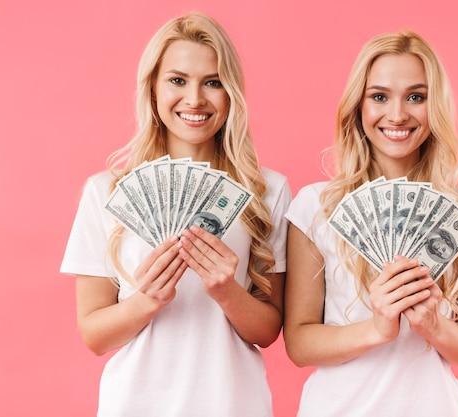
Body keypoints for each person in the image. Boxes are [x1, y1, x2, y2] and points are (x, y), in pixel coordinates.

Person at [60, 12, 291, 417]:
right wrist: (145, 300)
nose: (195, 99)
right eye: (178, 80)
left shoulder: (267, 191)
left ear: (231, 92)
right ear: (152, 88)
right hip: (135, 404)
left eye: (213, 82)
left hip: (234, 404)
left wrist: (227, 292)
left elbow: (269, 330)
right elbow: (93, 335)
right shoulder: (106, 191)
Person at [283, 30, 458, 417]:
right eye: (379, 97)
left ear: (435, 105)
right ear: (359, 106)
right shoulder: (317, 206)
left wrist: (435, 328)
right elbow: (300, 343)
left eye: (415, 97)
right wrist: (377, 328)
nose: (396, 115)